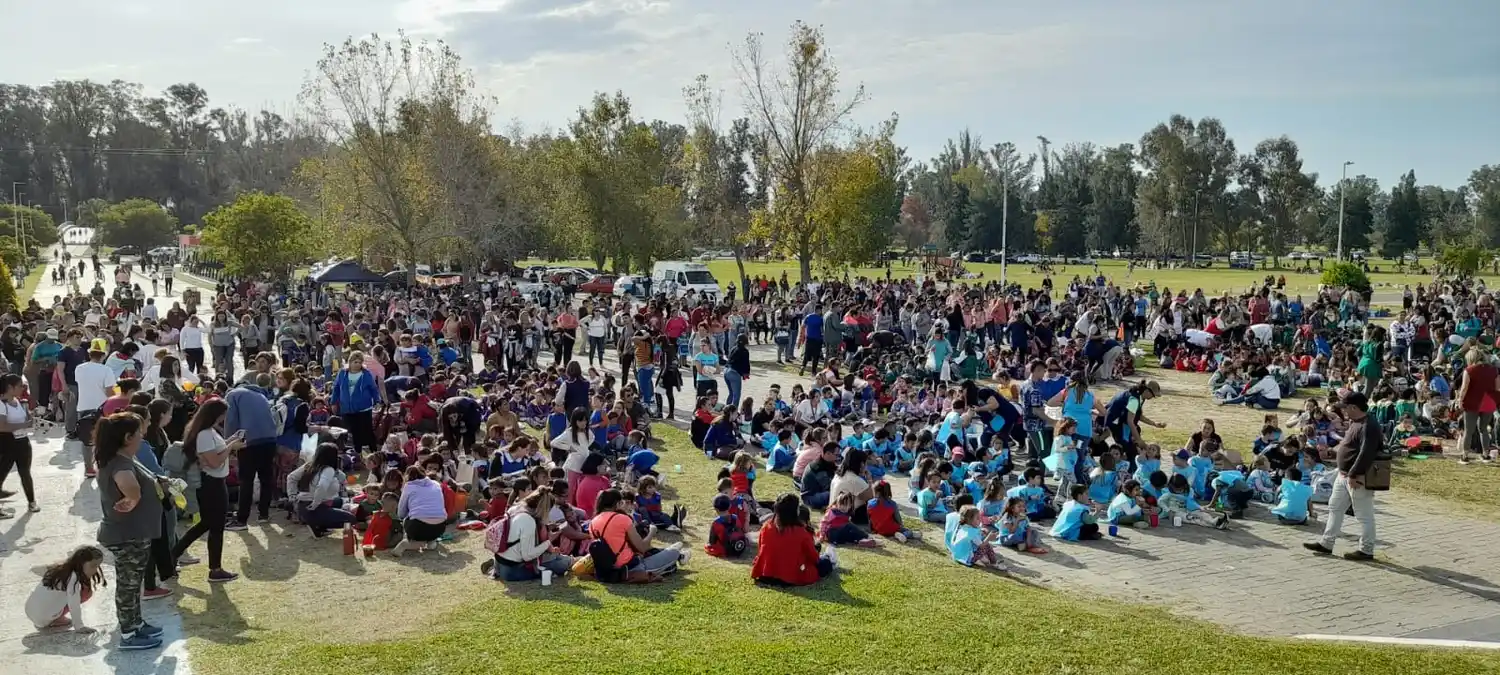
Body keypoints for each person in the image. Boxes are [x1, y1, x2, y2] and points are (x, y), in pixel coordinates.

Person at [93, 412, 166, 650]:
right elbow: (130, 488)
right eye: (139, 434)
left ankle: (135, 623)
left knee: (134, 585)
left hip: (134, 533)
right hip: (127, 535)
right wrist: (134, 498)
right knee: (128, 585)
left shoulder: (122, 458)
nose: (142, 438)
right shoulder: (121, 464)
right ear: (127, 437)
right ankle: (128, 634)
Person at [1305, 391, 1383, 561]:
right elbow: (1348, 445)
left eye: (1345, 407)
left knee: (1364, 514)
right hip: (1344, 475)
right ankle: (1327, 543)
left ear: (1354, 407)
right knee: (1335, 507)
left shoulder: (1369, 425)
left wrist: (1354, 474)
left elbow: (1367, 453)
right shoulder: (1356, 422)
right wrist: (1332, 452)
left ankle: (1366, 550)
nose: (1343, 411)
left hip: (1357, 477)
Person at [172, 399, 242, 582]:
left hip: (215, 482)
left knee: (206, 524)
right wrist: (231, 447)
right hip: (211, 483)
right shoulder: (204, 434)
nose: (224, 417)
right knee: (215, 527)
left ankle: (173, 555)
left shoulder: (208, 432)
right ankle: (215, 569)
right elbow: (214, 461)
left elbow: (215, 452)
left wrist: (230, 441)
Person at [588, 488, 687, 582]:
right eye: (622, 502)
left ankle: (671, 559)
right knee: (674, 551)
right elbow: (642, 548)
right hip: (632, 567)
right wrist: (652, 531)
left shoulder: (592, 522)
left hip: (609, 570)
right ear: (617, 503)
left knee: (664, 552)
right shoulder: (622, 519)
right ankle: (675, 557)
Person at [481, 485, 576, 581]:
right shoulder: (528, 520)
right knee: (558, 564)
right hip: (513, 570)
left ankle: (493, 566)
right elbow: (527, 556)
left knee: (555, 558)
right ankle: (574, 561)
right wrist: (549, 541)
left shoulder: (516, 508)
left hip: (501, 561)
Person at [226, 374, 279, 528]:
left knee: (246, 480)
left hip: (249, 441)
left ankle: (242, 519)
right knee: (266, 478)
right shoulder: (261, 396)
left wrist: (229, 443)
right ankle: (264, 514)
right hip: (270, 439)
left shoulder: (233, 395)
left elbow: (231, 421)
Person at [751, 492, 835, 586]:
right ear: (794, 512)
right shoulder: (801, 532)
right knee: (825, 563)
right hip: (791, 577)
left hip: (765, 573)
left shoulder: (766, 527)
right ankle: (829, 558)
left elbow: (761, 550)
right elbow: (814, 558)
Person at [25, 545, 106, 633]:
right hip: (43, 620)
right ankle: (55, 619)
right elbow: (74, 604)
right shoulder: (73, 578)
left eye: (97, 566)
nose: (95, 570)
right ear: (81, 563)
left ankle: (53, 616)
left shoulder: (60, 568)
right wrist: (79, 626)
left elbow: (34, 569)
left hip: (29, 611)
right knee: (86, 593)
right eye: (93, 566)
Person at [74, 347, 117, 478]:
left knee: (86, 440)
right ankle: (104, 467)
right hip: (101, 407)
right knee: (105, 439)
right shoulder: (106, 370)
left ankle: (88, 468)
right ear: (104, 355)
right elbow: (109, 391)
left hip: (83, 406)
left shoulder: (79, 368)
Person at [0, 373, 38, 514]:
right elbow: (2, 427)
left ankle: (32, 502)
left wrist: (30, 419)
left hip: (22, 442)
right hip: (7, 443)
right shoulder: (1, 404)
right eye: (20, 386)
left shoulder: (20, 402)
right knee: (2, 471)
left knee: (25, 473)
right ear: (10, 387)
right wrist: (24, 424)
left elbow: (28, 420)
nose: (23, 388)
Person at [1455, 347, 1497, 463]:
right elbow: (1497, 388)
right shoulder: (1494, 370)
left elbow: (1464, 389)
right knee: (1484, 429)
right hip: (1489, 402)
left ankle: (1465, 456)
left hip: (1472, 402)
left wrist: (1459, 401)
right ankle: (1485, 455)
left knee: (1469, 430)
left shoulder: (1469, 370)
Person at [396, 465, 449, 555]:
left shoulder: (409, 486)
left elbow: (401, 513)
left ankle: (408, 543)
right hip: (440, 527)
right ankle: (431, 541)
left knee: (407, 519)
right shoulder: (436, 484)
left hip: (418, 526)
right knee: (428, 522)